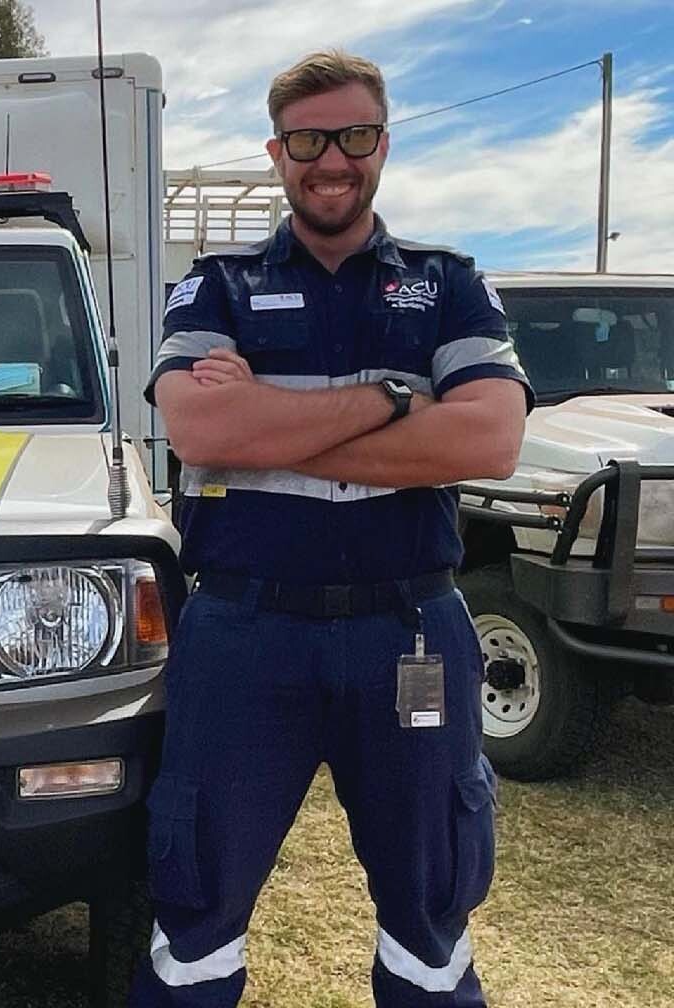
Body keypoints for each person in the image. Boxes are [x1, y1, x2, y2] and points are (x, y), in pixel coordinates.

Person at [133, 51, 531, 1008]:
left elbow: (492, 438)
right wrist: (398, 402)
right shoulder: (216, 286)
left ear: (381, 144)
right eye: (309, 141)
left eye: (354, 137)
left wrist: (271, 422)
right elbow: (199, 428)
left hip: (411, 636)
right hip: (242, 636)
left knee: (431, 903)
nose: (332, 161)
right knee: (196, 899)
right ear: (279, 152)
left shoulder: (448, 286)